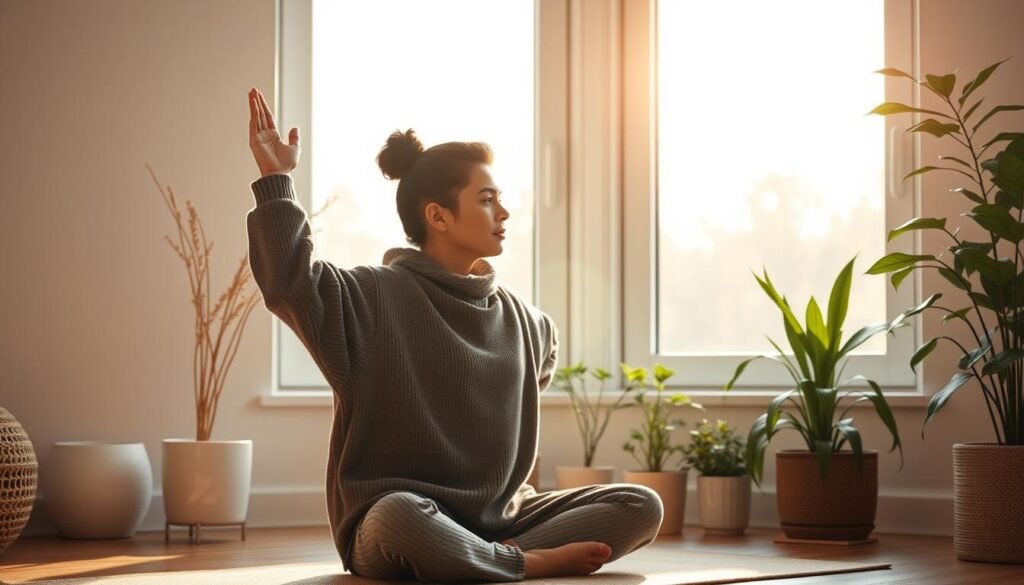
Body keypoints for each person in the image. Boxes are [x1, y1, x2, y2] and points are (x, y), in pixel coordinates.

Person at [245, 87, 663, 582]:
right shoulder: (370, 297)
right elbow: (290, 283)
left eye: (500, 200)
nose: (503, 213)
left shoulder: (527, 323)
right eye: (486, 200)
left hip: (501, 522)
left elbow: (536, 370)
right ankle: (519, 562)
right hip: (397, 523)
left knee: (641, 504)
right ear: (438, 215)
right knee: (398, 515)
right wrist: (276, 179)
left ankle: (479, 558)